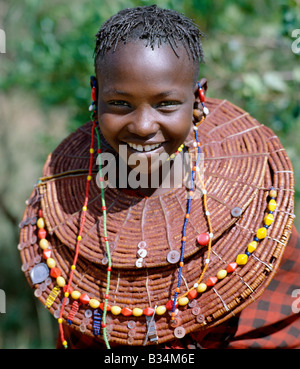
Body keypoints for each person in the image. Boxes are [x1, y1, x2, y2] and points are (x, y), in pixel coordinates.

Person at [19, 5, 300, 349]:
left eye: (166, 104)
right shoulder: (66, 208)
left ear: (198, 100)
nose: (143, 126)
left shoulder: (253, 214)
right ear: (95, 95)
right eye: (120, 104)